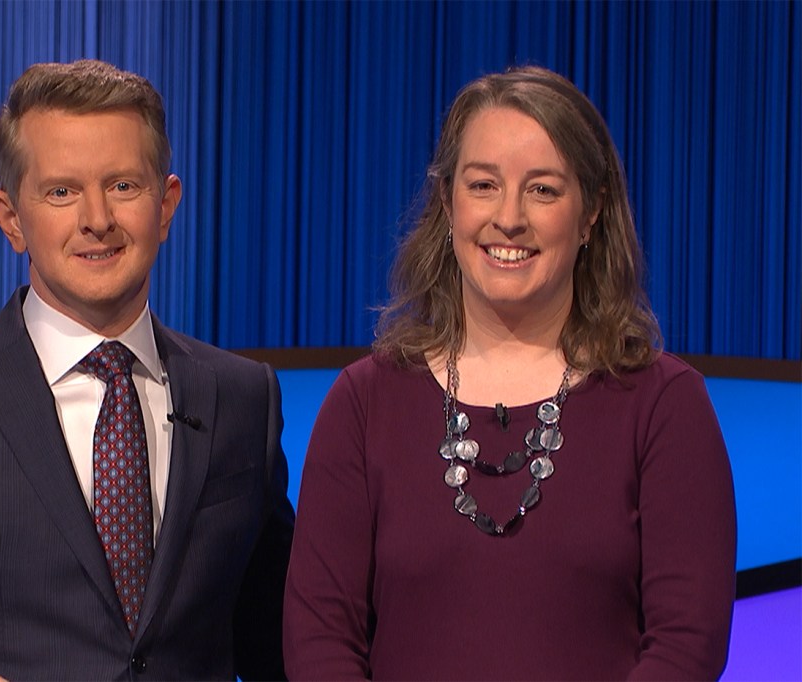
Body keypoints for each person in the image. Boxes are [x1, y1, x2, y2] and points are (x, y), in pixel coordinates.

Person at [0, 59, 294, 681]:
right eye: (62, 192)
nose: (97, 218)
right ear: (10, 217)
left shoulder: (242, 395)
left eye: (123, 185)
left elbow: (279, 640)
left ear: (167, 203)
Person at [283, 66, 736, 680]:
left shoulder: (663, 405)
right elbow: (319, 640)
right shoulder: (363, 404)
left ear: (592, 211)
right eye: (483, 185)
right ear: (447, 203)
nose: (510, 219)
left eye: (543, 190)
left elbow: (687, 644)